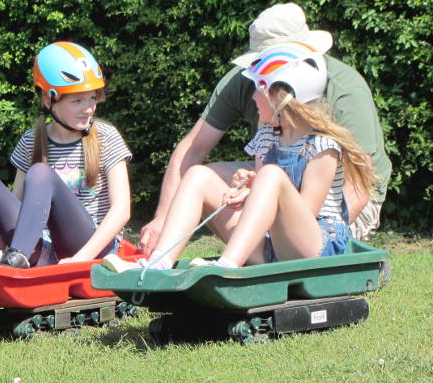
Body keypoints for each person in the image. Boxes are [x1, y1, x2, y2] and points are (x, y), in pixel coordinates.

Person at [102, 40, 375, 272]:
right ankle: (158, 263)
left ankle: (228, 266)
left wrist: (262, 184)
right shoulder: (267, 136)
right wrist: (249, 187)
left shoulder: (322, 147)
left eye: (260, 89)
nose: (254, 97)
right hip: (272, 242)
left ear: (281, 97)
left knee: (270, 174)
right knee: (199, 175)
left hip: (315, 248)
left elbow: (305, 213)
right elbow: (267, 191)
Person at [139, 3, 391, 254]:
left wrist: (310, 243)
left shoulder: (345, 89)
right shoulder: (244, 81)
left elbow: (360, 183)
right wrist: (162, 219)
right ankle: (168, 262)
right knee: (202, 176)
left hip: (340, 199)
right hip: (276, 180)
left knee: (276, 186)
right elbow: (192, 150)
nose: (255, 93)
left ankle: (268, 258)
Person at [0, 41, 132, 269]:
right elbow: (14, 205)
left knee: (41, 173)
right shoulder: (32, 140)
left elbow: (122, 210)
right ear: (49, 101)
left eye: (92, 98)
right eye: (77, 100)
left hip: (92, 248)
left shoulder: (106, 136)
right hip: (43, 248)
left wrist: (82, 258)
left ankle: (18, 258)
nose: (88, 108)